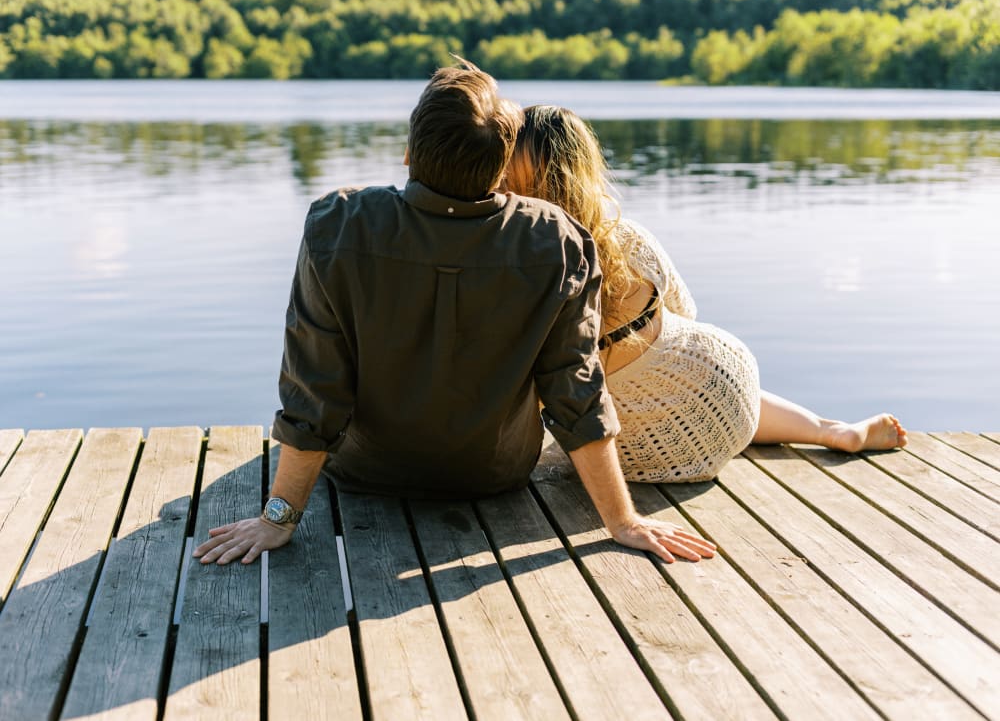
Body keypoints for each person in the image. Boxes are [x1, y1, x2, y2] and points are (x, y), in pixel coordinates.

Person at [193, 63, 717, 567]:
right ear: (501, 166)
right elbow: (575, 394)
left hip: (362, 471)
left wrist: (278, 519)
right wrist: (623, 522)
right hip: (492, 476)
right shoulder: (558, 241)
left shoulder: (339, 226)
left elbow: (315, 388)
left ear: (407, 153)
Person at [505, 105, 907, 483]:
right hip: (727, 402)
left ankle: (826, 429)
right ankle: (830, 431)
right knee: (690, 365)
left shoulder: (521, 269)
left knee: (642, 385)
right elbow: (685, 312)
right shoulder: (628, 239)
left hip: (630, 447)